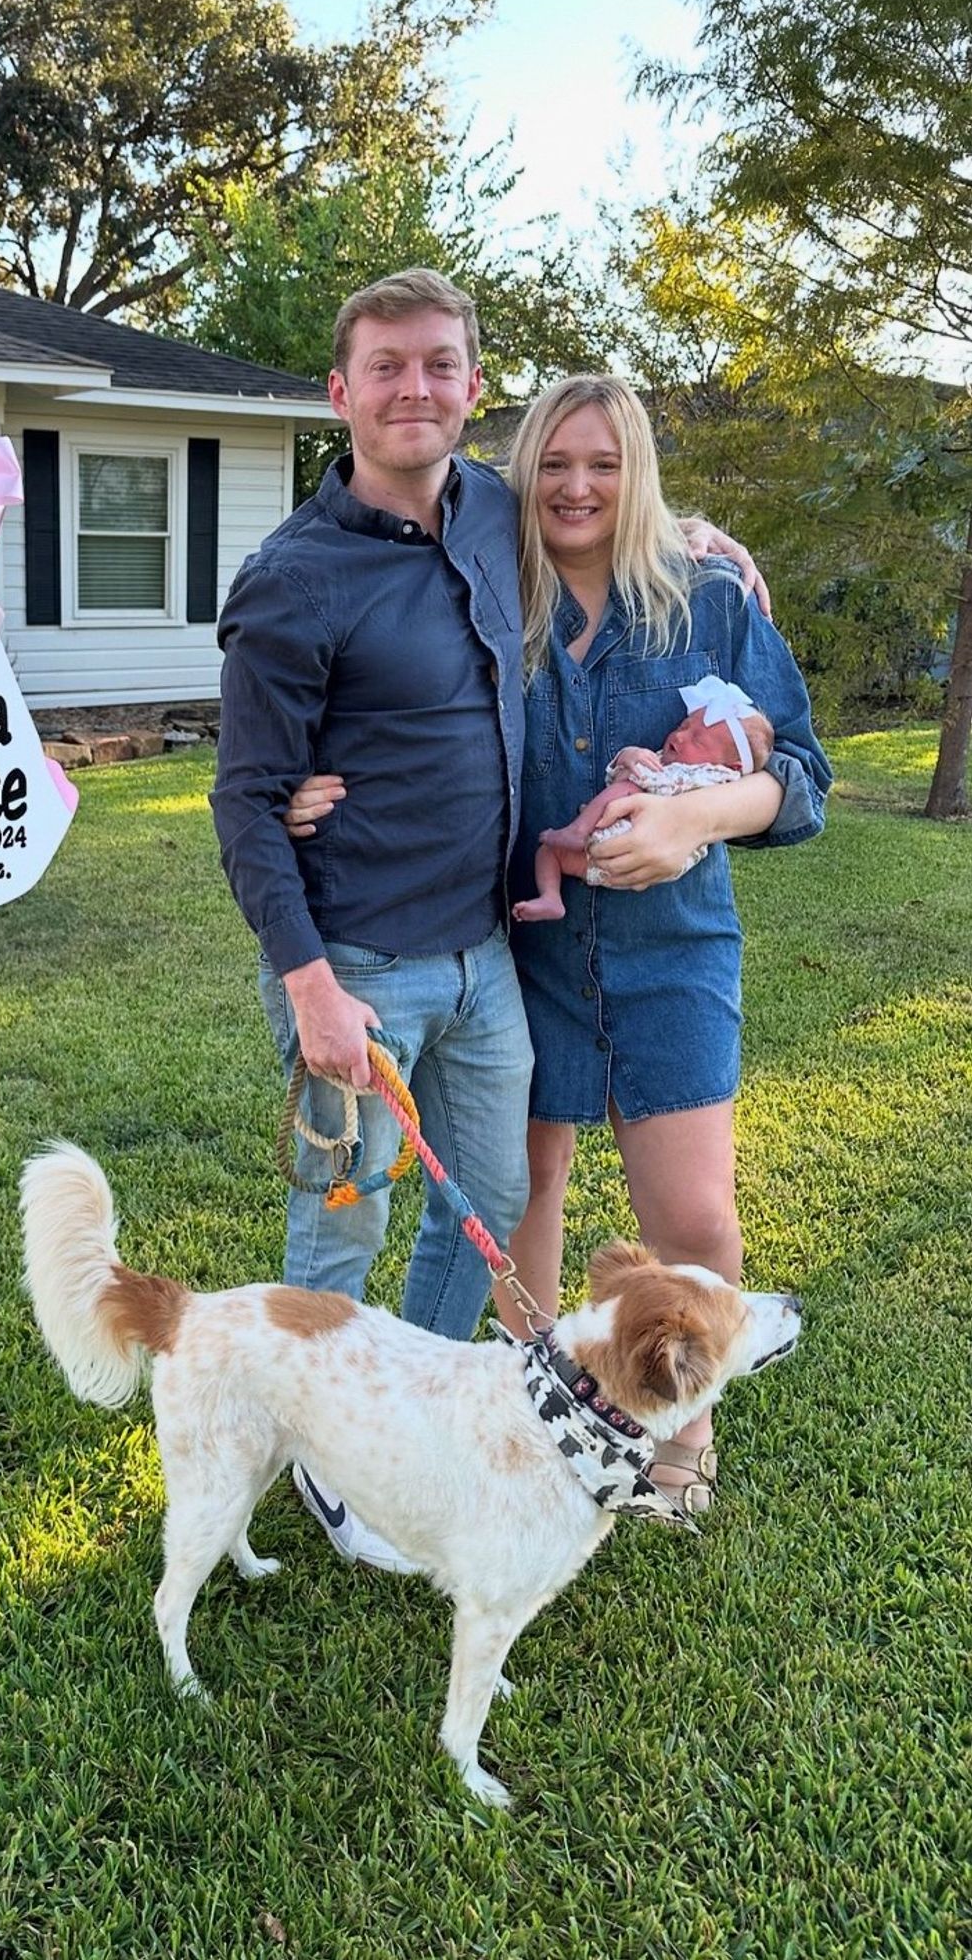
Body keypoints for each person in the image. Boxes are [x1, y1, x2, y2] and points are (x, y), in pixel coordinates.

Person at [210, 271, 765, 1570]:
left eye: (440, 365)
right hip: (355, 969)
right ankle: (318, 1449)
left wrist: (689, 530)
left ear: (470, 384)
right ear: (340, 393)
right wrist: (307, 988)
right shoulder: (291, 578)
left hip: (483, 961)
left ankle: (413, 1401)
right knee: (338, 1212)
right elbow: (242, 805)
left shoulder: (495, 513)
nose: (416, 388)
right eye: (387, 367)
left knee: (496, 1196)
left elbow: (601, 502)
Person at [287, 371, 831, 1518]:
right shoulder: (479, 599)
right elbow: (378, 706)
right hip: (515, 951)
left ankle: (678, 1439)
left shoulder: (706, 599)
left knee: (691, 1218)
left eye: (605, 462)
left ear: (637, 474)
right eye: (554, 462)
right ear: (518, 472)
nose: (577, 485)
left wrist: (692, 817)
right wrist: (300, 784)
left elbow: (803, 780)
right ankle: (528, 1414)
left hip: (672, 951)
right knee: (519, 1189)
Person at [512, 683, 774, 922]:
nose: (680, 737)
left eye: (697, 740)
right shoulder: (675, 761)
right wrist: (629, 756)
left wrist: (632, 765)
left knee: (629, 786)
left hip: (640, 856)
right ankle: (551, 898)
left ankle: (578, 831)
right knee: (548, 852)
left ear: (732, 765)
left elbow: (651, 782)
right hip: (607, 857)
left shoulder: (713, 776)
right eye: (684, 726)